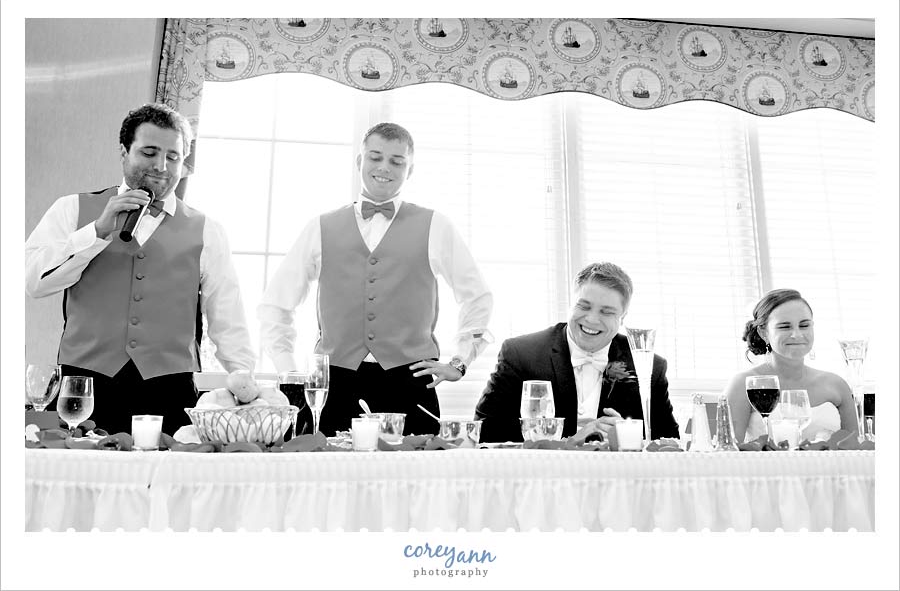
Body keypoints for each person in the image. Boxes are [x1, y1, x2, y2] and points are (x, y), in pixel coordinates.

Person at [25, 103, 256, 435]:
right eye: (149, 152)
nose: (161, 166)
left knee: (163, 485)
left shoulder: (208, 230)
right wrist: (96, 232)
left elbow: (227, 315)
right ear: (124, 151)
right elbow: (33, 281)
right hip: (85, 385)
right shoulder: (72, 209)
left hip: (169, 387)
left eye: (173, 157)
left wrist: (243, 378)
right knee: (82, 480)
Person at [258, 122, 493, 437]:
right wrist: (288, 370)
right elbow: (275, 303)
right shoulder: (319, 227)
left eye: (397, 161)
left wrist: (461, 361)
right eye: (375, 157)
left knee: (413, 481)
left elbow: (477, 296)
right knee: (328, 479)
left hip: (410, 382)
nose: (384, 168)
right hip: (334, 383)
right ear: (359, 162)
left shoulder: (436, 225)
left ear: (409, 170)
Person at [474, 262, 679, 443]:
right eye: (584, 306)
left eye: (606, 312)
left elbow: (670, 443)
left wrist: (629, 437)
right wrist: (570, 441)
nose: (591, 319)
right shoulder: (520, 354)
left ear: (623, 318)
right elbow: (485, 433)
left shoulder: (648, 366)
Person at [724, 288, 857, 443]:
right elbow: (726, 452)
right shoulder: (744, 384)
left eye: (804, 325)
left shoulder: (837, 384)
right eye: (784, 327)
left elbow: (858, 451)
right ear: (763, 332)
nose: (797, 334)